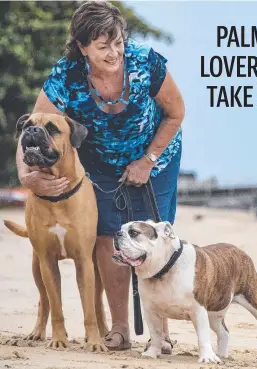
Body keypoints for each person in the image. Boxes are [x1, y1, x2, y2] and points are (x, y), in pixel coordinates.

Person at [16, 0, 185, 351]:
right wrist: (26, 175)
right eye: (103, 46)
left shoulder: (145, 62)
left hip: (157, 156)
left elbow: (176, 113)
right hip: (101, 163)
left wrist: (147, 160)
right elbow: (31, 129)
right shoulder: (66, 75)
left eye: (118, 42)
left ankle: (161, 332)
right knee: (109, 240)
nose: (114, 52)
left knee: (156, 240)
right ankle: (120, 328)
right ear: (82, 46)